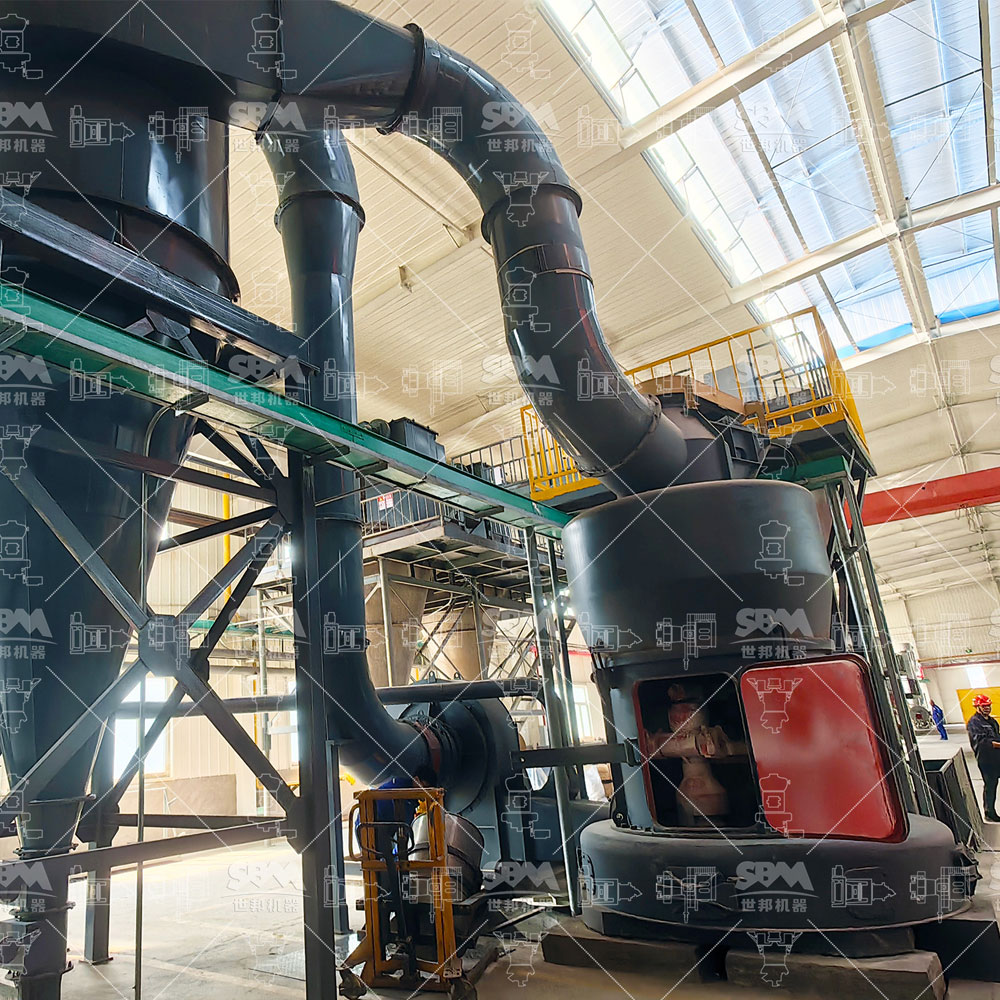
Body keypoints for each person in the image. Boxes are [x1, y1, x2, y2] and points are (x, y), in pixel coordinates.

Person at [967, 694, 1000, 822]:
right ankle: (989, 812)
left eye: (988, 705)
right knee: (990, 785)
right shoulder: (974, 722)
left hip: (997, 757)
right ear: (977, 707)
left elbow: (997, 735)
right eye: (984, 706)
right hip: (986, 759)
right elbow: (982, 742)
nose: (987, 708)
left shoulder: (992, 721)